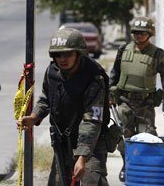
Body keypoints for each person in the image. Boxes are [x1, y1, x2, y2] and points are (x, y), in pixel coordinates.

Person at [18, 28, 110, 186]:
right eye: (57, 54)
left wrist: (81, 157)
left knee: (91, 181)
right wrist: (34, 117)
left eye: (68, 54)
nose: (62, 59)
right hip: (63, 142)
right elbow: (46, 98)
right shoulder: (53, 71)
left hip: (91, 144)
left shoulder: (93, 77)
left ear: (78, 53)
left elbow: (92, 120)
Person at [109, 16, 164, 182]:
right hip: (124, 101)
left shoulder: (158, 54)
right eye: (136, 32)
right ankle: (127, 165)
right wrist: (109, 96)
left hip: (145, 104)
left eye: (143, 32)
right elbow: (114, 74)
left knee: (148, 136)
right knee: (124, 137)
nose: (139, 35)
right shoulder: (123, 49)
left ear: (150, 33)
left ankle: (144, 168)